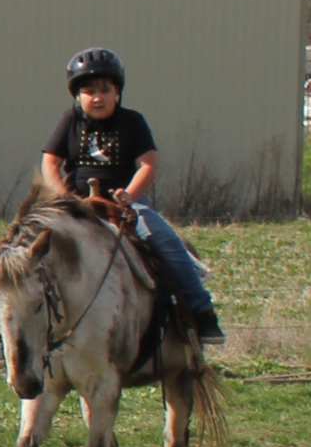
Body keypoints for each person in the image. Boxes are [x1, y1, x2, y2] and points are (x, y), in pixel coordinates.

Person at [41, 48, 224, 344]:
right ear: (77, 96)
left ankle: (202, 313)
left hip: (125, 205)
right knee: (26, 249)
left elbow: (148, 162)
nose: (97, 97)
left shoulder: (132, 122)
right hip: (76, 205)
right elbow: (50, 162)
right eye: (89, 91)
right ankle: (10, 338)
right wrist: (64, 197)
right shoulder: (69, 121)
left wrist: (130, 194)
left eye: (105, 90)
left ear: (118, 93)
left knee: (163, 238)